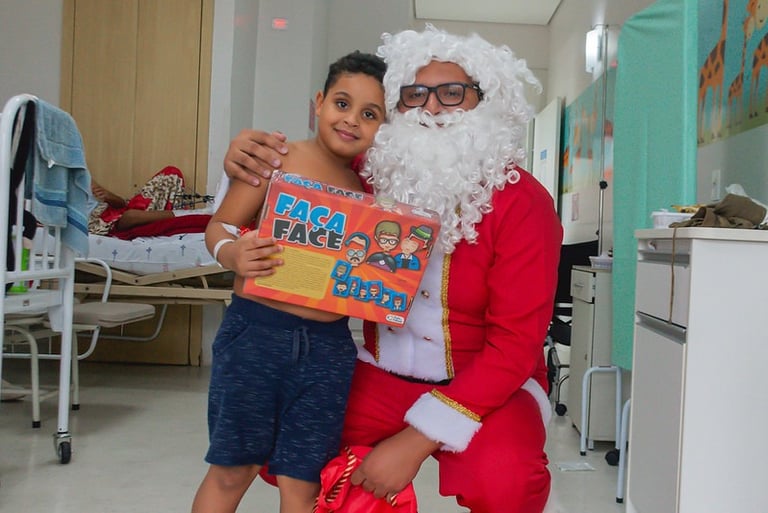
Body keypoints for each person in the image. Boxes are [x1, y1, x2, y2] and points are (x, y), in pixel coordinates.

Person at [224, 25, 562, 513]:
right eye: (414, 94)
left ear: (484, 102)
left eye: (452, 93)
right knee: (293, 440)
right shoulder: (369, 174)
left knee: (506, 481)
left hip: (488, 383)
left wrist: (414, 441)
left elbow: (516, 343)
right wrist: (247, 157)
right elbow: (300, 175)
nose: (432, 108)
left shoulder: (523, 201)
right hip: (381, 372)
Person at [191, 51, 387, 513]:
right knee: (231, 469)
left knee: (303, 481)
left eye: (370, 114)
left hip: (329, 348)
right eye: (342, 103)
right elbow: (219, 226)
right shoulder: (277, 159)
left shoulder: (371, 193)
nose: (351, 120)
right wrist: (232, 253)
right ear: (318, 102)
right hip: (255, 334)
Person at [88, 165, 188, 235]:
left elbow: (121, 204)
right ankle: (182, 215)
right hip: (99, 222)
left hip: (115, 210)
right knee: (131, 215)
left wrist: (109, 196)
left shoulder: (84, 176)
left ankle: (172, 212)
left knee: (171, 172)